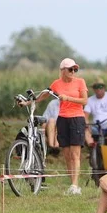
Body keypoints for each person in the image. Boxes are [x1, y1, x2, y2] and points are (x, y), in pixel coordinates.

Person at [45, 58, 87, 195]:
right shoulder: (56, 84)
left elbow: (84, 100)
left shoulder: (80, 82)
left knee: (75, 155)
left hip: (77, 118)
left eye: (75, 69)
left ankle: (75, 186)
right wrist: (28, 102)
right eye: (70, 69)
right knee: (67, 155)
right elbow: (44, 95)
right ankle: (72, 185)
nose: (73, 72)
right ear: (63, 70)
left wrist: (68, 98)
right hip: (62, 119)